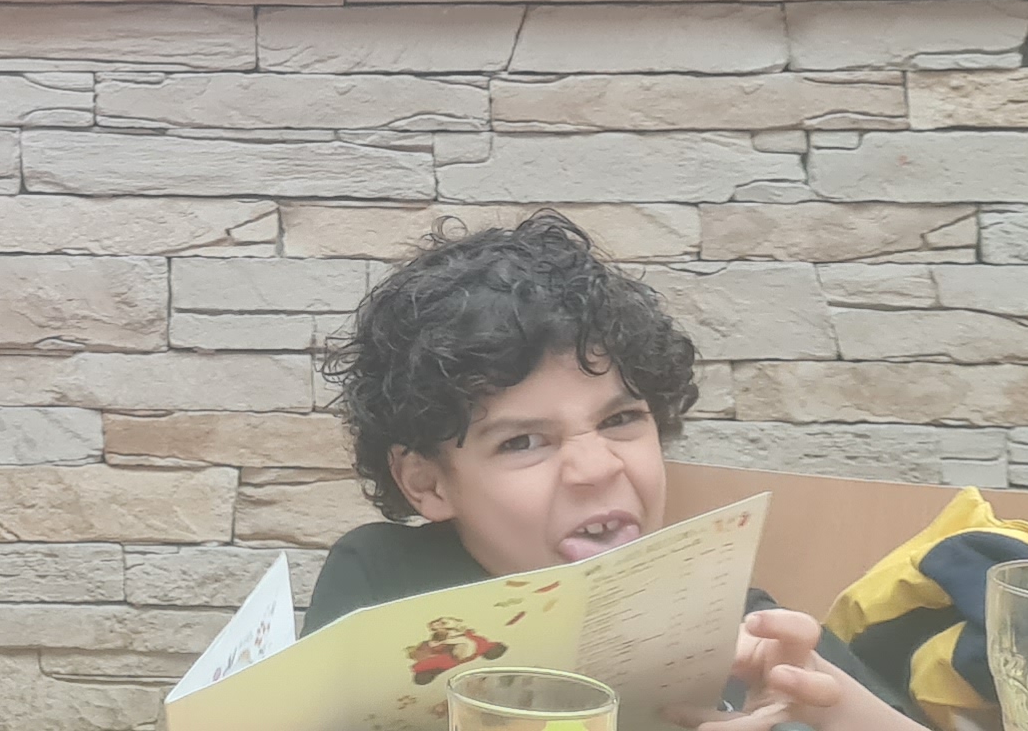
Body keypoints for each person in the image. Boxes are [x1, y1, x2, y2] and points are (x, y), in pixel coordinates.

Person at [310, 213, 918, 731]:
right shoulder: (387, 585)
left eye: (621, 419)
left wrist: (827, 702)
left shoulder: (732, 619)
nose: (597, 468)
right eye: (523, 442)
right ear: (427, 482)